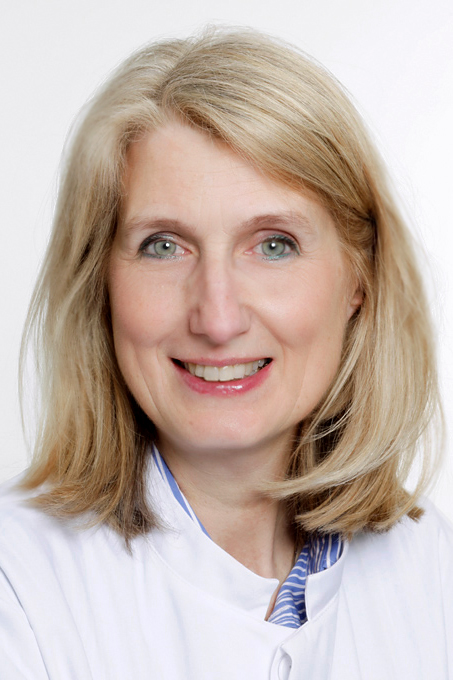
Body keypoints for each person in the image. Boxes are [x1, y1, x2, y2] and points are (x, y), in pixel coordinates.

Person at [0, 27, 451, 680]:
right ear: (100, 282)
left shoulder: (430, 567)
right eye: (163, 246)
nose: (217, 319)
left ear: (360, 278)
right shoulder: (17, 586)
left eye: (273, 245)